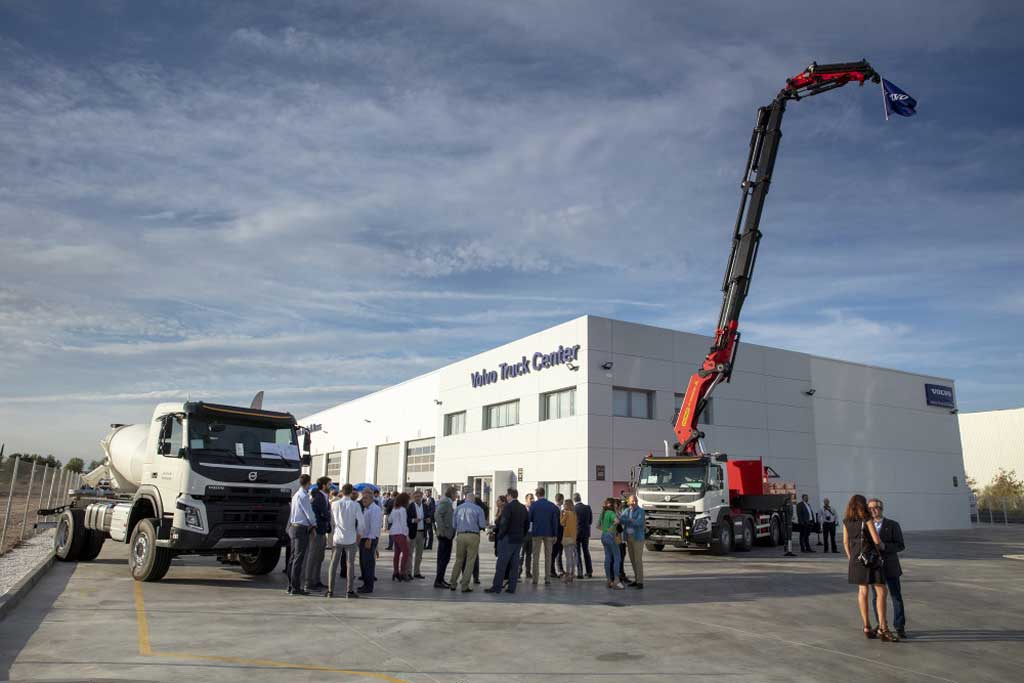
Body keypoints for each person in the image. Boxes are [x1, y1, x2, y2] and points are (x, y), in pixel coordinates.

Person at [843, 494, 898, 641]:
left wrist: (852, 559)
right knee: (881, 590)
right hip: (870, 561)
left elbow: (845, 543)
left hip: (855, 561)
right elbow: (876, 540)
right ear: (862, 505)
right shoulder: (867, 520)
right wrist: (880, 552)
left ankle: (866, 626)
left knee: (862, 591)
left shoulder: (846, 521)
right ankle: (883, 628)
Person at [869, 498, 907, 639]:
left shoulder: (892, 525)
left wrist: (885, 546)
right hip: (875, 568)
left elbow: (900, 545)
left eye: (875, 507)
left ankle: (899, 626)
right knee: (876, 598)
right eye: (870, 508)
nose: (873, 510)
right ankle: (881, 624)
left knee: (896, 597)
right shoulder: (867, 526)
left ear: (881, 508)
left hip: (890, 566)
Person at [486, 488, 529, 595]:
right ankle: (511, 588)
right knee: (514, 565)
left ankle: (496, 587)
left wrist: (500, 536)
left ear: (509, 495)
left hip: (508, 539)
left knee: (501, 564)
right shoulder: (522, 507)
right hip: (518, 539)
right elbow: (527, 524)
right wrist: (522, 535)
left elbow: (504, 523)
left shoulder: (508, 507)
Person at [327, 483, 363, 598]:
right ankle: (349, 591)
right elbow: (362, 523)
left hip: (337, 537)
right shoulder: (355, 505)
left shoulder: (334, 504)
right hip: (351, 538)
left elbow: (332, 522)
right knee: (350, 565)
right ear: (351, 492)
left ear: (342, 491)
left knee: (333, 564)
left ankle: (330, 590)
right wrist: (359, 534)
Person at [449, 492, 487, 592]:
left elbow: (453, 525)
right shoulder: (478, 509)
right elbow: (482, 524)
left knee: (459, 560)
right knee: (470, 561)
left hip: (460, 535)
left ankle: (453, 583)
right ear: (473, 499)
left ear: (465, 498)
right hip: (473, 535)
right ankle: (464, 585)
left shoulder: (458, 508)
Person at [286, 474, 315, 595]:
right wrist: (314, 524)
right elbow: (309, 513)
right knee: (298, 559)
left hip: (293, 527)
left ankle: (290, 585)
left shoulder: (296, 495)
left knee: (293, 558)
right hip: (301, 529)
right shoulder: (304, 496)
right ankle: (295, 587)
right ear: (308, 483)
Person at [304, 476, 332, 592]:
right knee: (313, 557)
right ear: (324, 485)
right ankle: (309, 582)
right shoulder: (320, 497)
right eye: (329, 484)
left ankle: (316, 580)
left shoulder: (323, 496)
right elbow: (325, 513)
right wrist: (327, 517)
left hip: (322, 530)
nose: (330, 486)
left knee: (319, 557)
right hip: (317, 531)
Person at [529, 487, 560, 585]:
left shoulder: (533, 505)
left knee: (536, 556)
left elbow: (530, 519)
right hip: (549, 533)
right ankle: (547, 578)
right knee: (548, 556)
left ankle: (535, 578)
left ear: (537, 495)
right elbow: (555, 521)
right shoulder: (552, 506)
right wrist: (555, 534)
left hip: (537, 532)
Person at [357, 488, 382, 594]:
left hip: (369, 539)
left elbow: (375, 526)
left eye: (366, 498)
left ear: (372, 498)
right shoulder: (366, 509)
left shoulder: (375, 509)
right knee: (363, 563)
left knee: (368, 563)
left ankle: (368, 586)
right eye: (363, 498)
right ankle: (365, 584)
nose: (364, 500)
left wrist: (370, 539)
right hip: (364, 538)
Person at [620, 495, 646, 589]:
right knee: (632, 560)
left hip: (638, 538)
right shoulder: (627, 510)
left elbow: (639, 522)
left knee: (638, 560)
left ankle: (640, 582)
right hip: (629, 537)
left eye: (635, 501)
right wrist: (630, 520)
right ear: (629, 502)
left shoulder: (641, 511)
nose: (634, 502)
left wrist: (630, 521)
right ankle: (636, 579)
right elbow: (621, 519)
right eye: (632, 501)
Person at [599, 498, 624, 589]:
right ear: (613, 505)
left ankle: (608, 580)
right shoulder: (612, 513)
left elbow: (598, 526)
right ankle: (616, 580)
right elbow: (617, 521)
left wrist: (606, 529)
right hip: (611, 536)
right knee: (617, 557)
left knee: (608, 557)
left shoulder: (603, 513)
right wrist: (611, 527)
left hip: (604, 536)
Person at [433, 487, 456, 588]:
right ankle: (438, 580)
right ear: (451, 494)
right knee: (443, 558)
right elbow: (437, 515)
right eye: (456, 494)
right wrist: (443, 529)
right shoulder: (446, 502)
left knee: (445, 559)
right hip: (445, 535)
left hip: (447, 535)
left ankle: (440, 579)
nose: (457, 496)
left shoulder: (448, 502)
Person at [389, 491, 411, 581]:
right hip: (401, 533)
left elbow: (389, 520)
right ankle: (402, 572)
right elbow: (403, 523)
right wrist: (407, 535)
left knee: (397, 553)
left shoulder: (394, 509)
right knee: (405, 553)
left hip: (393, 533)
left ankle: (395, 572)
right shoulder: (402, 510)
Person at [407, 490, 427, 579]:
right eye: (416, 496)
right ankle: (408, 572)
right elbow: (406, 519)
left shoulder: (425, 506)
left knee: (419, 554)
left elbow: (429, 515)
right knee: (410, 553)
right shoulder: (410, 506)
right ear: (413, 497)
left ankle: (417, 572)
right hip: (413, 532)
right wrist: (413, 520)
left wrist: (429, 519)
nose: (418, 498)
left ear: (422, 497)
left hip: (422, 532)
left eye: (419, 496)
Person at [573, 493, 594, 578]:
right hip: (585, 532)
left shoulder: (573, 509)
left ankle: (580, 572)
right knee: (586, 551)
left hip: (576, 533)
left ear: (574, 500)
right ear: (580, 498)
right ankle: (589, 571)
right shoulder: (587, 507)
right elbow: (590, 521)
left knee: (577, 553)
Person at [560, 498, 578, 584]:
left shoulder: (566, 513)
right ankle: (572, 573)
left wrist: (561, 514)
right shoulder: (574, 514)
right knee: (572, 556)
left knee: (568, 557)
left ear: (567, 505)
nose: (563, 505)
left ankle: (567, 575)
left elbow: (562, 523)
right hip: (573, 537)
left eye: (564, 504)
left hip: (567, 536)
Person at [520, 492, 534, 579]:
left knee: (529, 554)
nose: (532, 500)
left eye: (533, 498)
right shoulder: (523, 509)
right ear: (526, 500)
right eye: (530, 498)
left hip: (532, 534)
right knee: (521, 554)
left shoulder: (535, 509)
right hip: (524, 534)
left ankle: (528, 572)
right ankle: (518, 571)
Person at [614, 499, 629, 584]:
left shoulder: (620, 513)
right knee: (619, 558)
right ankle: (620, 575)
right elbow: (618, 527)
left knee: (622, 557)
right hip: (617, 539)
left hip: (622, 539)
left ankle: (621, 574)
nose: (620, 506)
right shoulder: (615, 514)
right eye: (619, 504)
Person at [551, 492, 566, 577]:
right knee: (554, 553)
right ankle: (552, 571)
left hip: (560, 535)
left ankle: (560, 569)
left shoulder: (560, 509)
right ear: (560, 500)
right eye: (562, 500)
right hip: (557, 535)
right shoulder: (555, 509)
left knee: (559, 553)